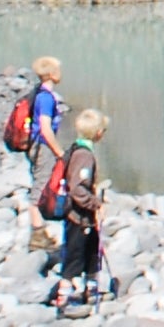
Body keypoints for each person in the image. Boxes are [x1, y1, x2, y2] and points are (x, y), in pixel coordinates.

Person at [53, 128, 109, 310]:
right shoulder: (85, 155)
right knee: (75, 255)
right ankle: (64, 296)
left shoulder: (76, 149)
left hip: (82, 216)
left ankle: (90, 290)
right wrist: (96, 204)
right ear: (98, 132)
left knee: (91, 252)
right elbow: (78, 189)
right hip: (79, 216)